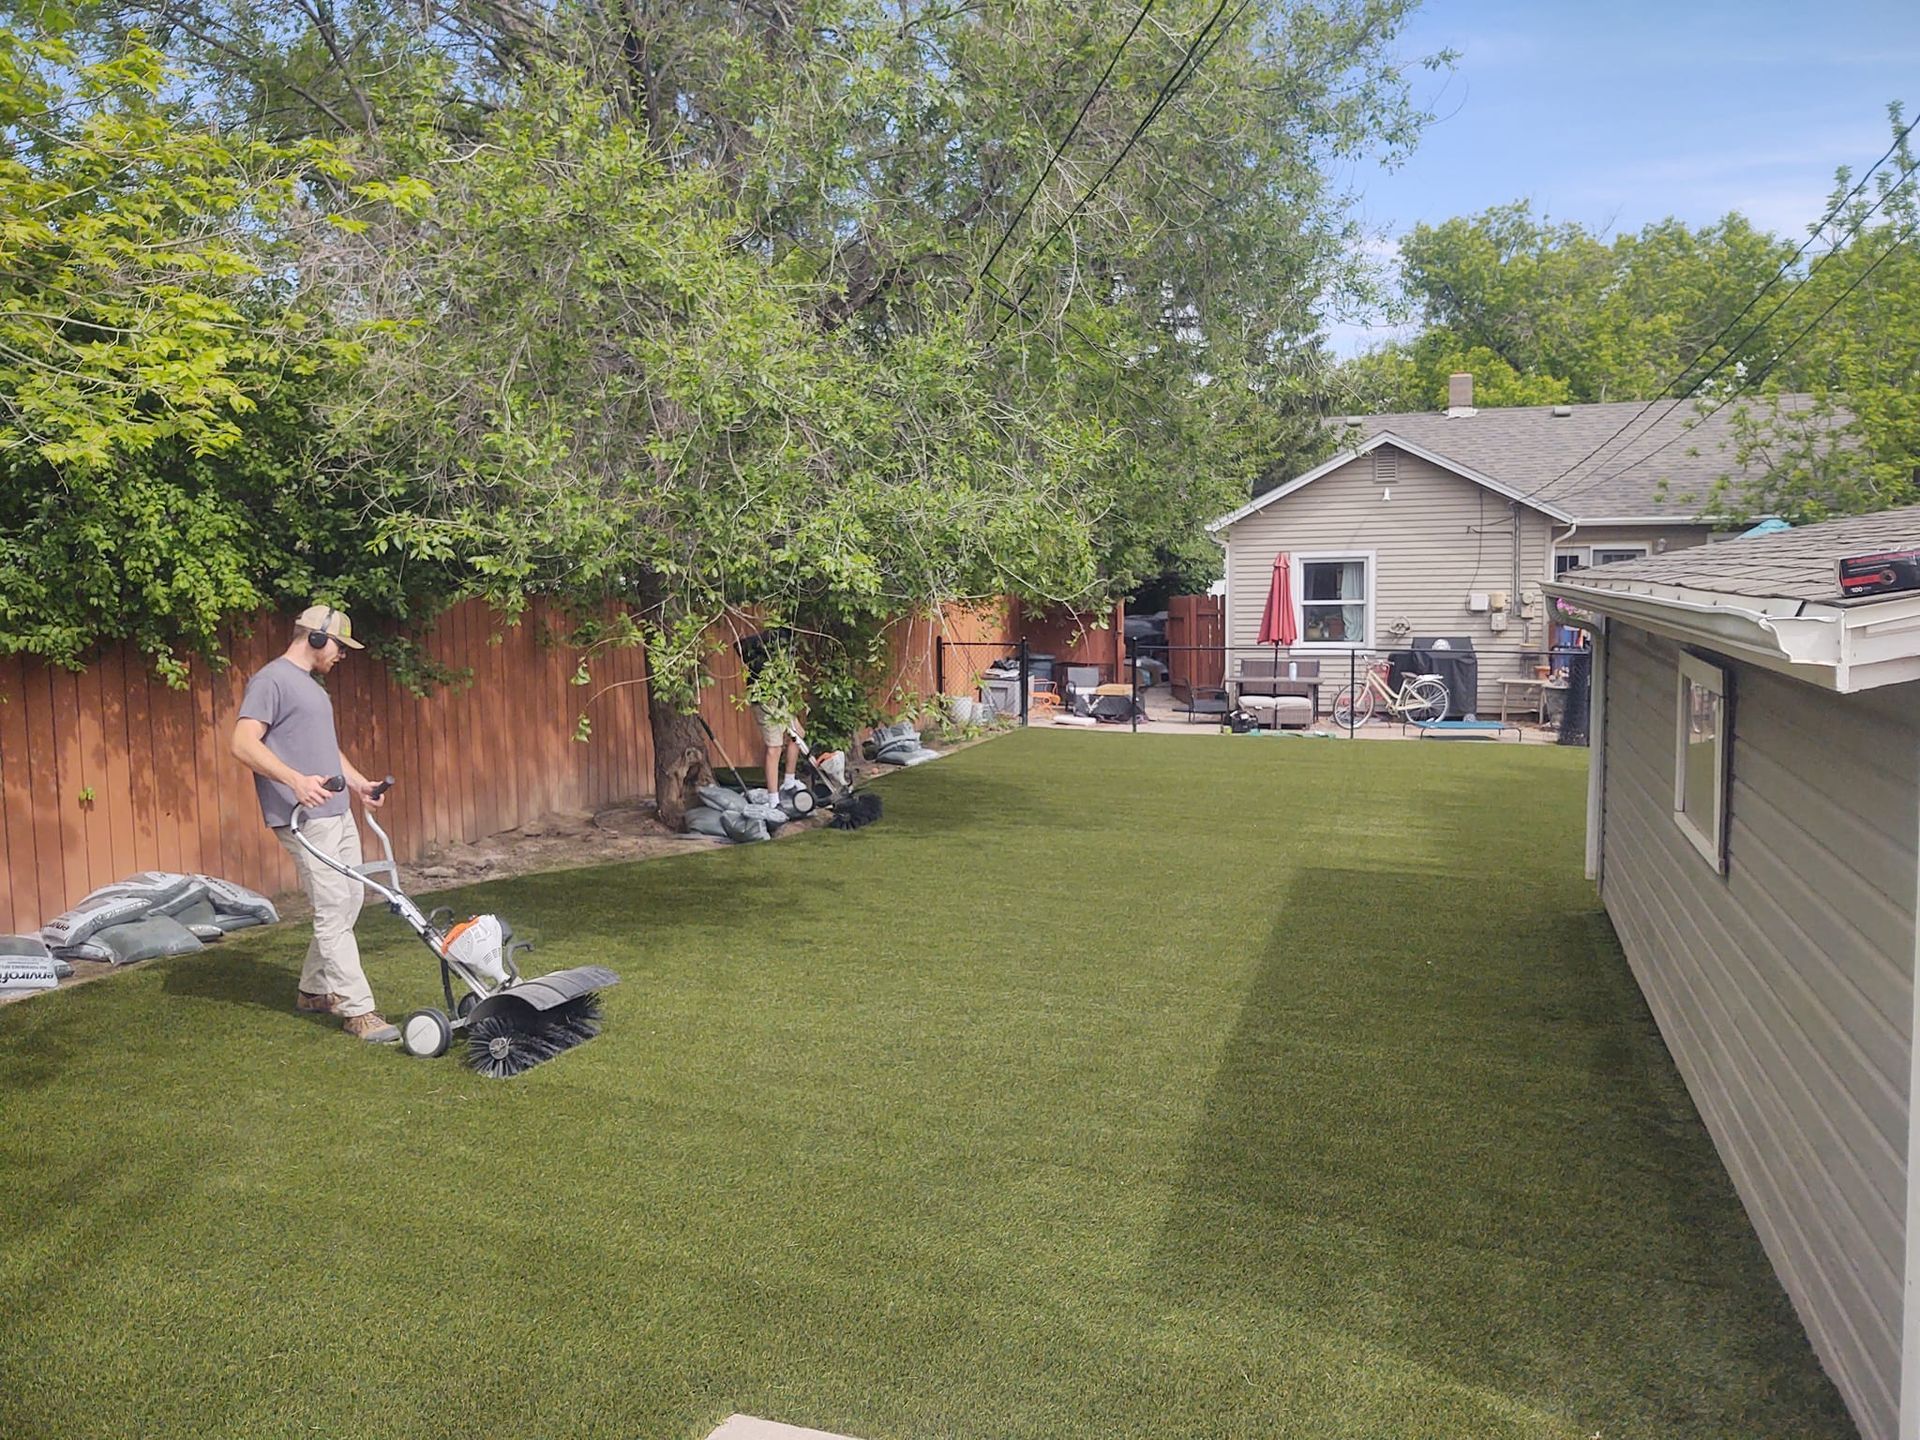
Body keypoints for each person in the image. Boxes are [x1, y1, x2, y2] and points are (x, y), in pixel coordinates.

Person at [230, 604, 397, 1044]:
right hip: (302, 818)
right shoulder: (270, 681)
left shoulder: (309, 688)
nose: (342, 656)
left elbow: (326, 749)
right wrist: (295, 781)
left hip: (336, 811)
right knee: (331, 909)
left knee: (351, 900)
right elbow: (242, 743)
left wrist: (360, 785)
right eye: (340, 647)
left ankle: (314, 989)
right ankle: (359, 1011)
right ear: (318, 638)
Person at [739, 629, 803, 801]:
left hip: (778, 696)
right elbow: (740, 648)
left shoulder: (786, 638)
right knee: (774, 748)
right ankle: (773, 800)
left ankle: (789, 782)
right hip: (763, 699)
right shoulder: (771, 642)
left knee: (798, 734)